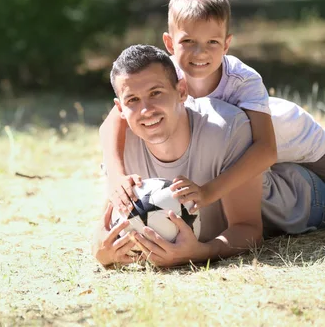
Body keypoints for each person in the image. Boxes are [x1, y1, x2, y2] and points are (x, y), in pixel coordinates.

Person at [99, 0, 325, 216]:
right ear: (169, 43)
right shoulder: (165, 75)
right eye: (188, 42)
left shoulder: (242, 80)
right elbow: (112, 122)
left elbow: (265, 150)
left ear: (227, 44)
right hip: (266, 162)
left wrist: (207, 192)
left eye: (213, 42)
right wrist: (116, 176)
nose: (200, 53)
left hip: (301, 143)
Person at [92, 45, 325, 267]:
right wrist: (101, 252)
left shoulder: (227, 128)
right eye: (133, 100)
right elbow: (105, 228)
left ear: (181, 90)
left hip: (305, 201)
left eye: (156, 93)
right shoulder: (121, 153)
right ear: (120, 109)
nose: (146, 110)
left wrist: (201, 253)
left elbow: (248, 228)